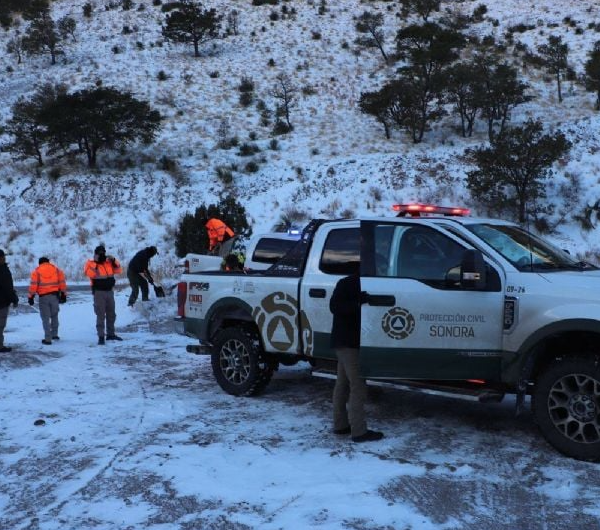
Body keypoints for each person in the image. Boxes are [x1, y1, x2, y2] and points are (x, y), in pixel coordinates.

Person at [329, 263, 383, 443]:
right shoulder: (349, 284)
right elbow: (336, 307)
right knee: (358, 385)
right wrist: (359, 302)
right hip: (349, 343)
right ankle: (359, 431)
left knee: (342, 384)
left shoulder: (347, 283)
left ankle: (340, 425)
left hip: (342, 341)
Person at [84, 245, 123, 345]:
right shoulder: (90, 263)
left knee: (111, 314)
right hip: (99, 292)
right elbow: (90, 274)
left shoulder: (108, 262)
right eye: (99, 253)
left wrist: (114, 260)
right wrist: (95, 264)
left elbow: (119, 270)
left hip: (109, 291)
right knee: (100, 314)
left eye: (103, 252)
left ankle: (111, 334)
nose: (102, 254)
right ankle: (101, 336)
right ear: (95, 254)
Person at [28, 257, 67, 345]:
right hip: (55, 296)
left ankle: (48, 339)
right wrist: (64, 294)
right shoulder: (57, 270)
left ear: (40, 263)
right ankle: (55, 334)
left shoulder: (36, 271)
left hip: (43, 298)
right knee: (54, 316)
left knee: (45, 318)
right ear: (48, 262)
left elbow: (33, 285)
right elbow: (62, 282)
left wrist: (31, 297)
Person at [0, 249, 18, 353]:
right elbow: (8, 288)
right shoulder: (3, 270)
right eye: (3, 257)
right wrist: (14, 299)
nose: (4, 259)